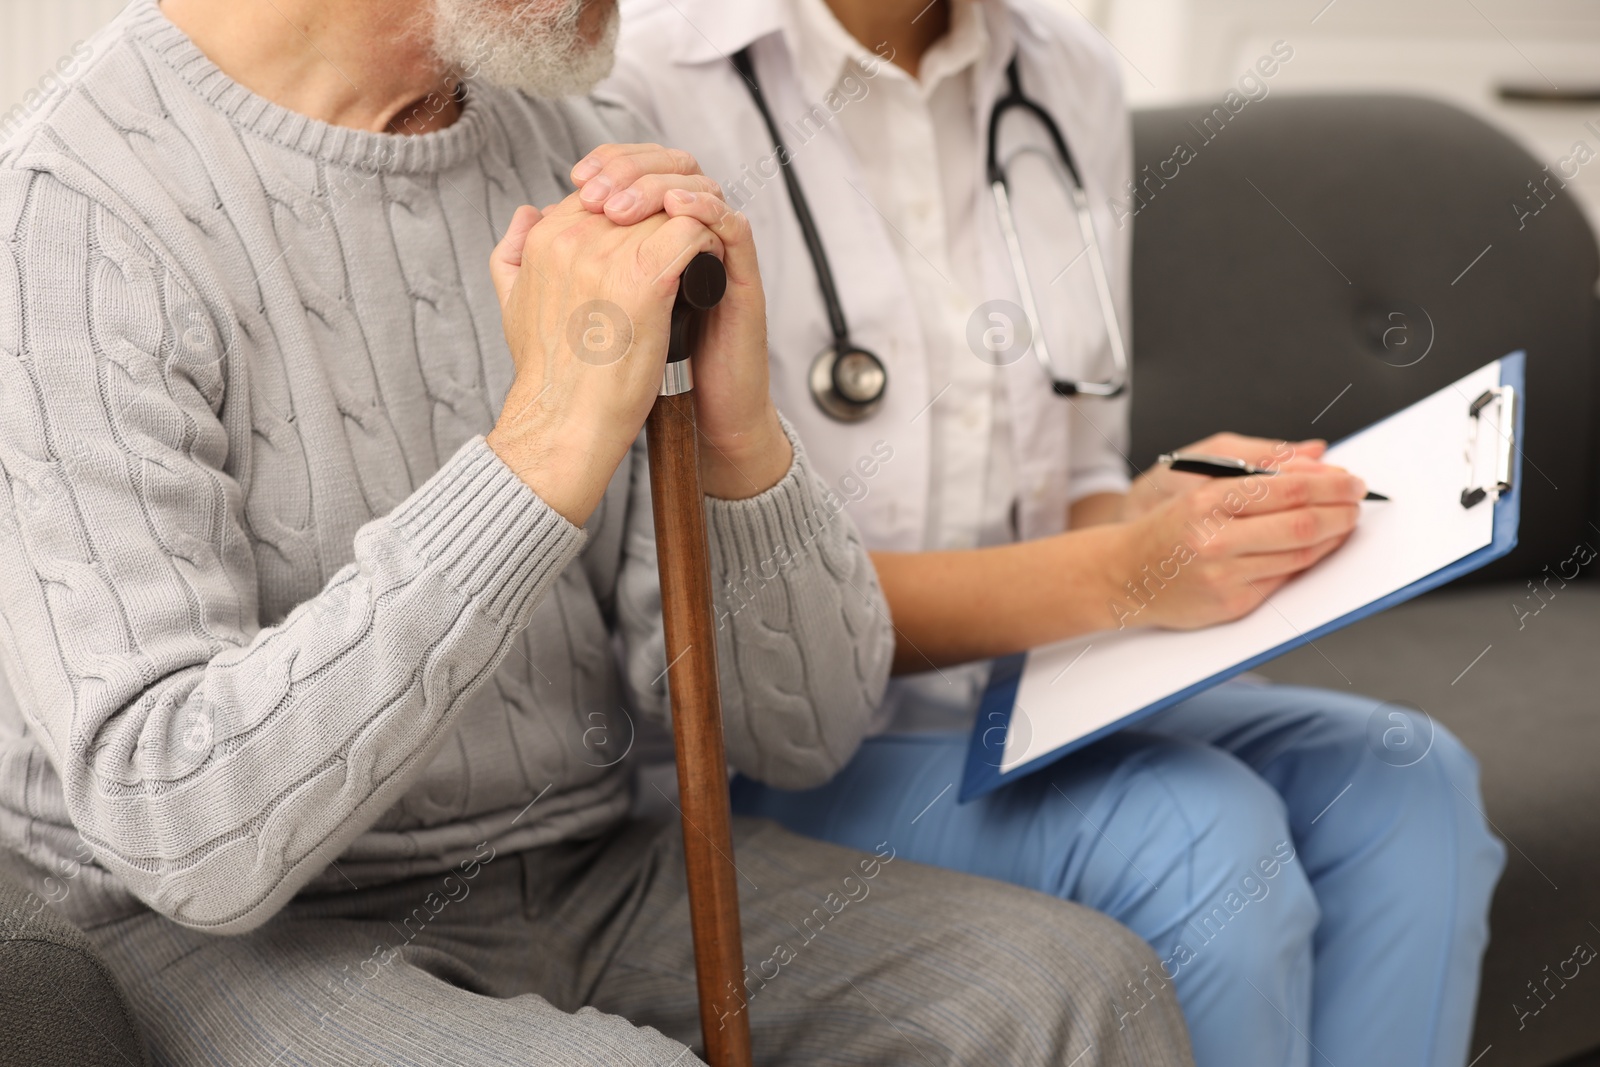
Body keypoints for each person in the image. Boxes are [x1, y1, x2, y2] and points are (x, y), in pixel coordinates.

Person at [0, 0, 1201, 1064]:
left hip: (590, 865)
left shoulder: (575, 142)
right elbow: (183, 829)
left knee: (1070, 994)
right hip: (234, 933)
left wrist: (739, 443)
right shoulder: (72, 209)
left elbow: (804, 732)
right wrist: (539, 451)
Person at [606, 1, 1507, 1064]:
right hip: (770, 749)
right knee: (1200, 837)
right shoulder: (641, 80)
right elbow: (697, 607)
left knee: (1410, 784)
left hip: (1016, 695)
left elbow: (1073, 470)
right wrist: (1118, 570)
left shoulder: (1067, 71)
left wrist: (1163, 514)